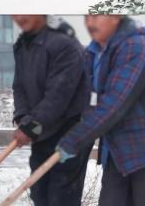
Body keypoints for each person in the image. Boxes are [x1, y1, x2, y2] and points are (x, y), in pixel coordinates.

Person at [57, 16, 145, 206]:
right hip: (118, 148)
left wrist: (74, 140)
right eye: (87, 17)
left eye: (98, 17)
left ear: (116, 18)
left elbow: (114, 103)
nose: (90, 23)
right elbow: (84, 97)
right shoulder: (95, 51)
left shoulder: (137, 47)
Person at [11, 15, 91, 206]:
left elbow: (58, 95)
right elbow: (19, 86)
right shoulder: (23, 45)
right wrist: (23, 119)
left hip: (70, 131)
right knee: (39, 192)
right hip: (42, 132)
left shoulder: (64, 44)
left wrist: (30, 126)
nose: (19, 17)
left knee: (61, 197)